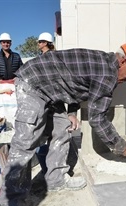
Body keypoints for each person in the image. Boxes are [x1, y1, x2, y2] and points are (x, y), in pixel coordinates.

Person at [0, 41, 126, 206]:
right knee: (25, 141)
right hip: (32, 84)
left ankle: (56, 180)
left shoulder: (102, 63)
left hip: (49, 89)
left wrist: (71, 113)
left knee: (63, 125)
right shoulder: (107, 73)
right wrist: (121, 146)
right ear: (123, 62)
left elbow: (74, 83)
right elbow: (97, 119)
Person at [35, 32, 80, 175]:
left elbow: (69, 85)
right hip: (45, 104)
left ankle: (55, 171)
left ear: (47, 43)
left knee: (59, 135)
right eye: (39, 42)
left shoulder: (55, 59)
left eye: (41, 41)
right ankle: (50, 170)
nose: (39, 44)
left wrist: (72, 112)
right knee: (50, 137)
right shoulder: (39, 60)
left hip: (54, 104)